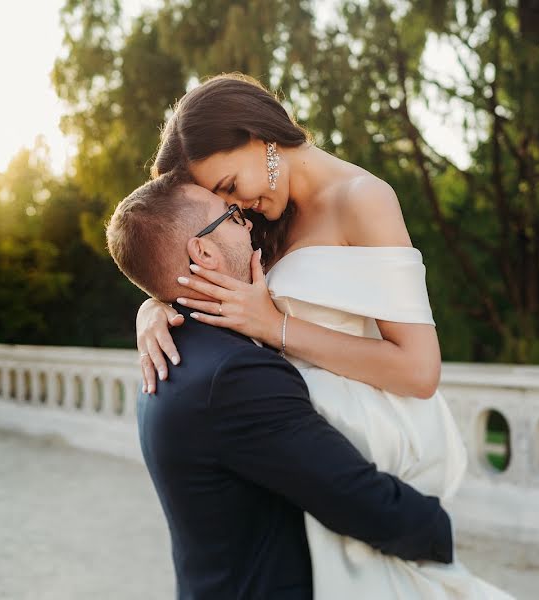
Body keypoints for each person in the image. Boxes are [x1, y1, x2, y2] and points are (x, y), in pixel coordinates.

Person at [135, 74, 514, 598]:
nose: (234, 206)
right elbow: (176, 239)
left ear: (256, 137)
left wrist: (275, 327)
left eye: (227, 187)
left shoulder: (364, 199)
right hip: (293, 440)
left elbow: (419, 371)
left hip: (359, 439)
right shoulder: (265, 218)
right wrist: (153, 306)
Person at [105, 172, 455, 599]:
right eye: (232, 216)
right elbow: (355, 499)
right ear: (203, 251)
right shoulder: (234, 375)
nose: (249, 223)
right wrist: (438, 530)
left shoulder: (171, 354)